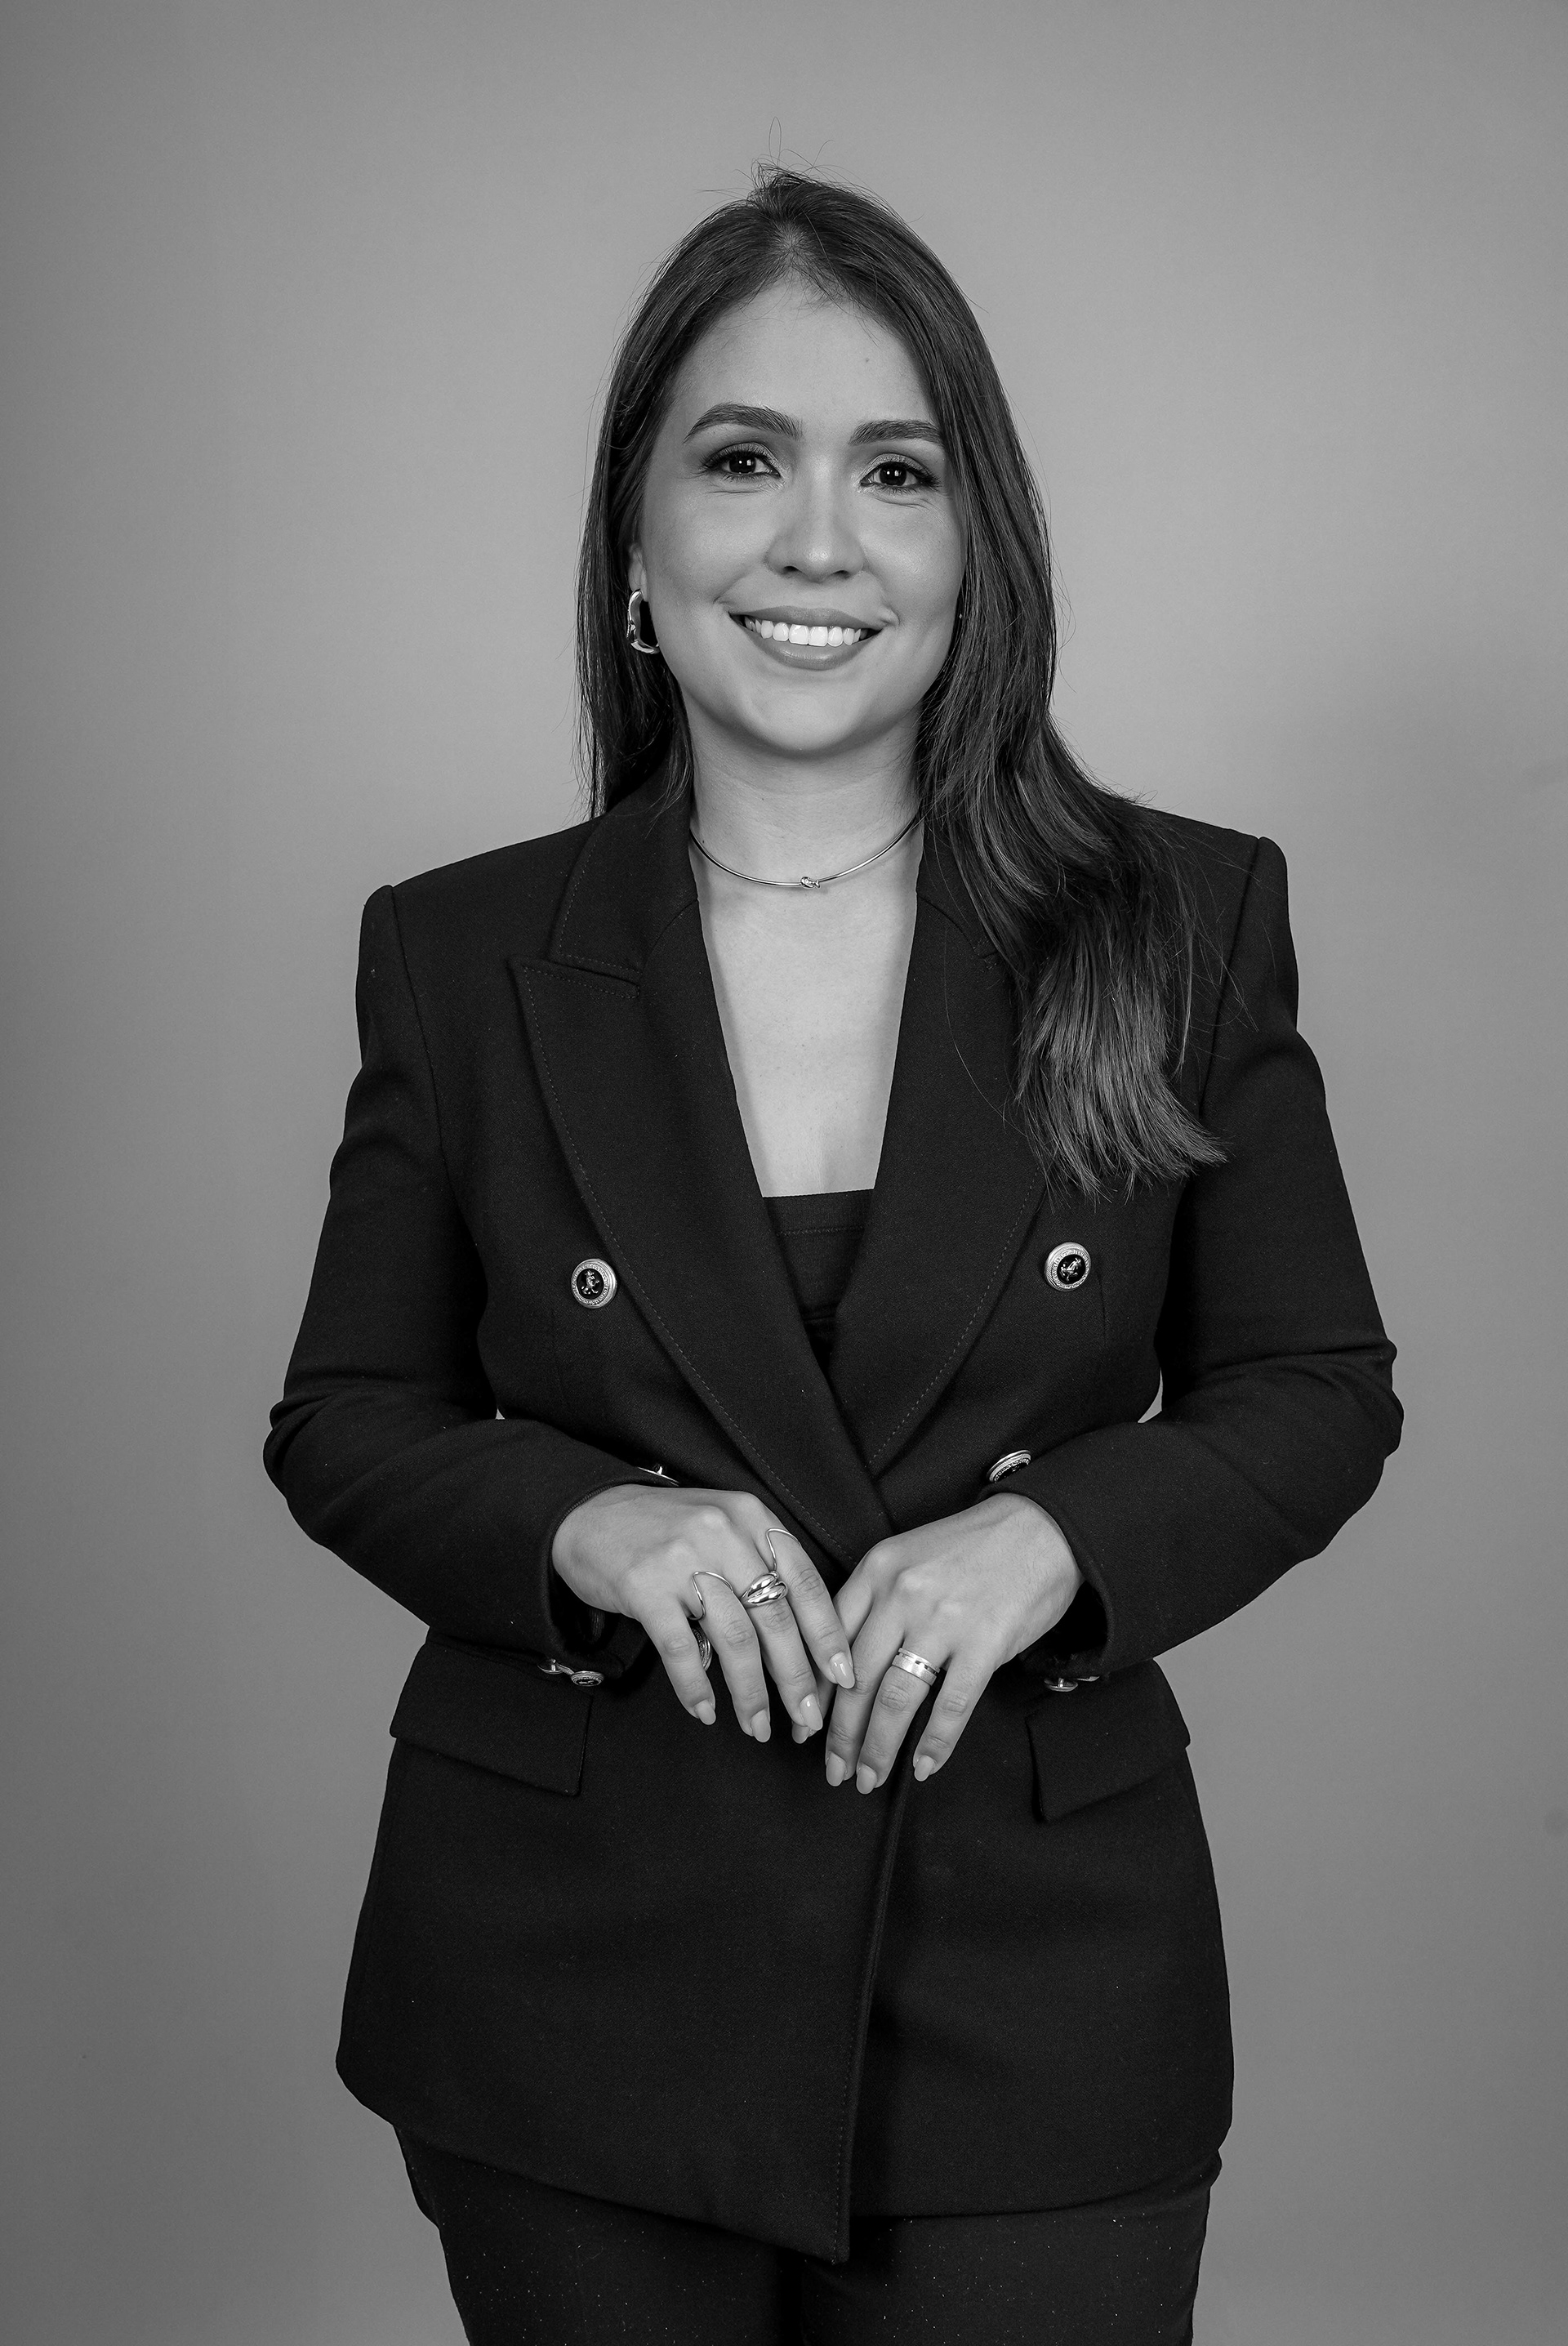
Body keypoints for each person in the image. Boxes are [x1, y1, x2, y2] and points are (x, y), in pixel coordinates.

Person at [265, 167, 1401, 2344]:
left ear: (979, 549)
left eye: (897, 470)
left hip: (1034, 1969)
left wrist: (1058, 1540)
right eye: (740, 461)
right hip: (570, 1971)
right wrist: (586, 1525)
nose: (817, 540)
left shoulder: (1180, 920)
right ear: (634, 548)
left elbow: (1315, 1387)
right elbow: (349, 1417)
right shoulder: (461, 953)